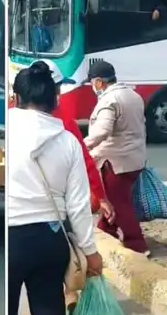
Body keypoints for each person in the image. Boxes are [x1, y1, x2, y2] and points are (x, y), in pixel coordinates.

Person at [7, 61, 104, 315]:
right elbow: (78, 206)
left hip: (9, 235)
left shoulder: (5, 131)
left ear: (15, 97)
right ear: (56, 97)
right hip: (49, 237)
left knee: (7, 306)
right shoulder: (66, 140)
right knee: (48, 310)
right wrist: (91, 252)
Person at [83, 60, 149, 255]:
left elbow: (102, 131)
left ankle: (137, 244)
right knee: (114, 199)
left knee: (119, 203)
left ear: (99, 82)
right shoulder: (133, 95)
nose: (92, 87)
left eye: (93, 83)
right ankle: (107, 233)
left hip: (115, 161)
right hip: (134, 159)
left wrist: (81, 146)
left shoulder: (109, 101)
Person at [38, 59, 113, 222]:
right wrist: (100, 197)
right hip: (55, 204)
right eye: (59, 88)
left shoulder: (13, 114)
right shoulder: (64, 120)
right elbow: (85, 160)